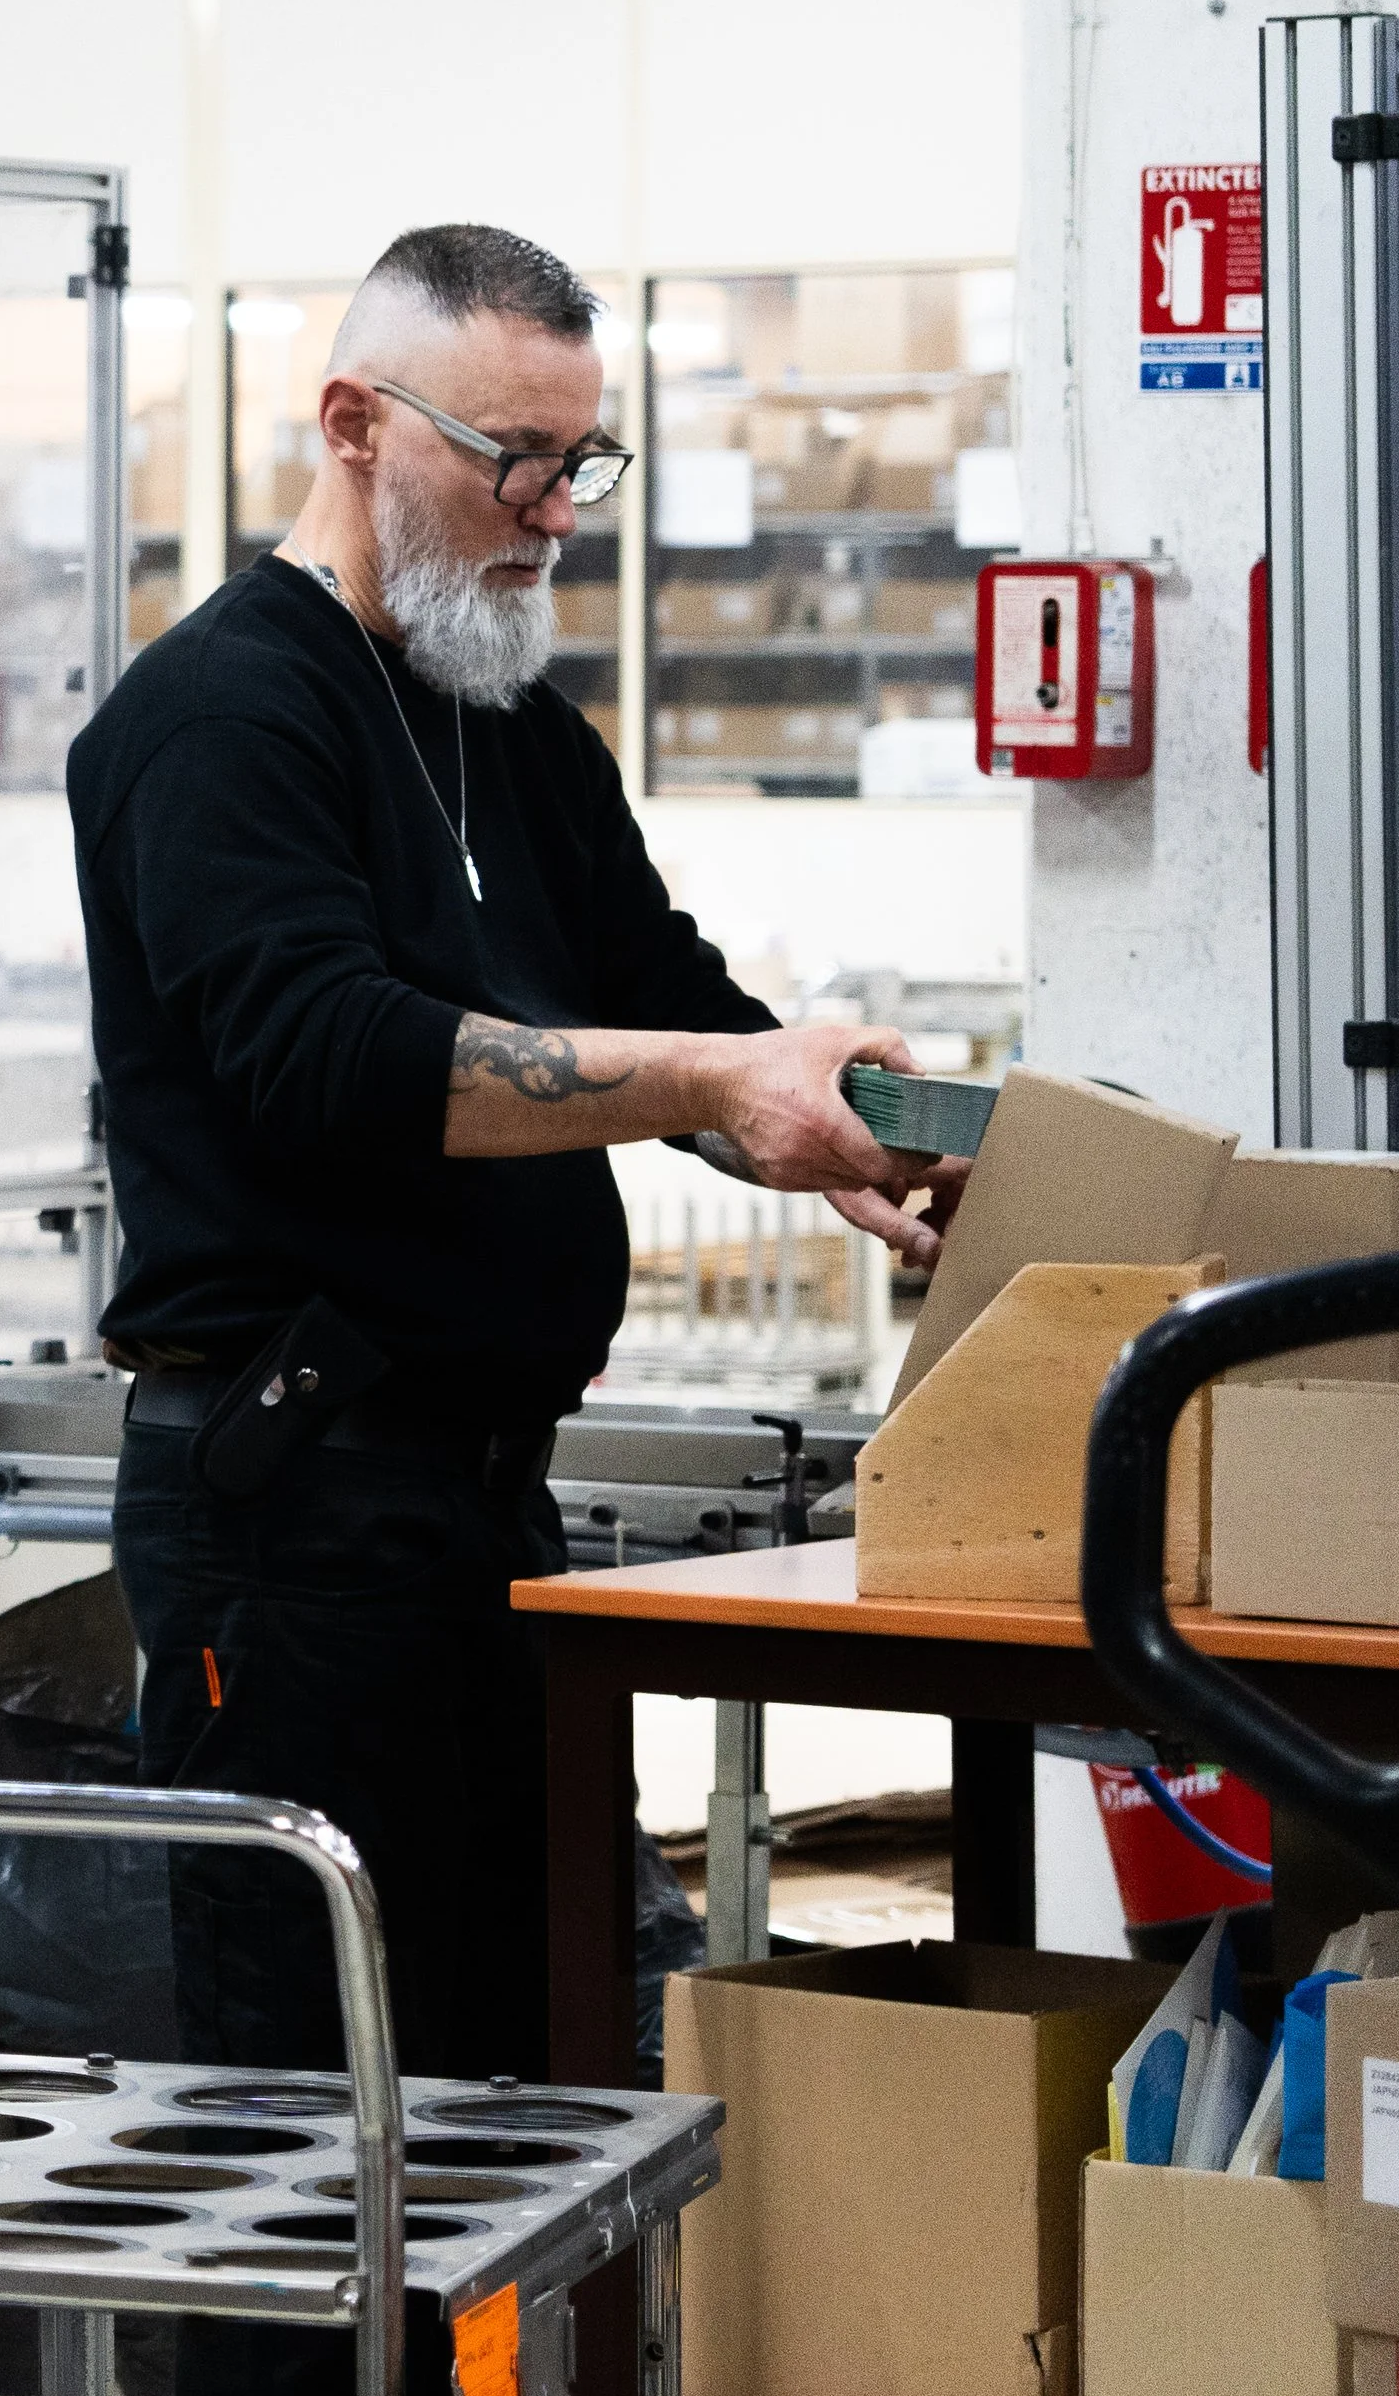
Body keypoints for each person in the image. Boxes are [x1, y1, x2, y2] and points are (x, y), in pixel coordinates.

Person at [70, 223, 964, 2133]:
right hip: (291, 1523)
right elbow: (333, 1060)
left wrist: (848, 1122)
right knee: (311, 2125)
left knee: (494, 2094)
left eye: (586, 463)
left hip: (484, 1512)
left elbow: (660, 995)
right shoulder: (225, 719)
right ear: (355, 426)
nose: (558, 513)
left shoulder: (519, 734)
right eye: (519, 463)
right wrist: (719, 1076)